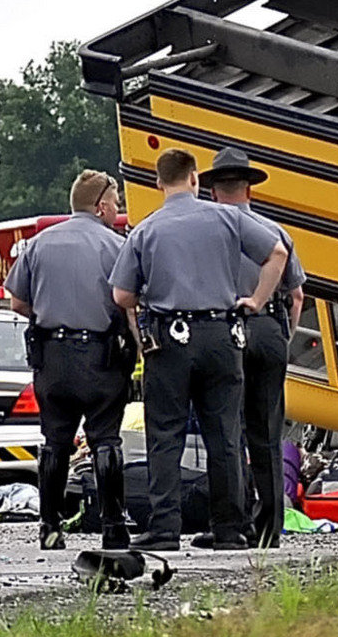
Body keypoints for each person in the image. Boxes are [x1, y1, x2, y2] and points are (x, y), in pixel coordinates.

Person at [110, 147, 289, 551]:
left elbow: (121, 294)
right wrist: (257, 301)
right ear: (194, 179)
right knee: (225, 433)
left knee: (166, 433)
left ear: (159, 183)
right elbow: (277, 253)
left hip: (169, 340)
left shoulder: (146, 230)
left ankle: (165, 528)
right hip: (222, 335)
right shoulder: (228, 218)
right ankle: (229, 528)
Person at [3, 170, 134, 550]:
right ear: (101, 206)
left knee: (55, 441)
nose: (118, 208)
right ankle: (113, 527)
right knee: (105, 439)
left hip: (52, 357)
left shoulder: (38, 244)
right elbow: (127, 302)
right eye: (116, 202)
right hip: (101, 356)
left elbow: (17, 302)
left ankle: (49, 526)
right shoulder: (116, 245)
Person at [199, 146, 306, 548]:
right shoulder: (275, 231)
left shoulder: (206, 235)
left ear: (212, 192)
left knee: (225, 430)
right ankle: (270, 528)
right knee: (267, 430)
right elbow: (296, 294)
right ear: (249, 190)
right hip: (268, 329)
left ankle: (232, 522)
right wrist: (284, 335)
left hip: (224, 329)